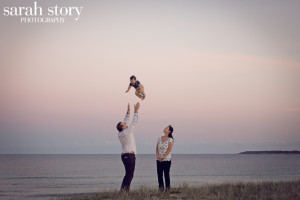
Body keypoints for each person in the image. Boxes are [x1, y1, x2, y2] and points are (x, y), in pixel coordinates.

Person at [116, 102, 140, 192]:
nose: (126, 124)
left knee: (128, 174)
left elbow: (126, 120)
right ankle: (124, 192)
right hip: (129, 156)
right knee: (129, 175)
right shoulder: (126, 132)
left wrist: (128, 111)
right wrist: (136, 111)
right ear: (122, 127)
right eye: (124, 124)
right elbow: (134, 122)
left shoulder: (121, 132)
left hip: (126, 156)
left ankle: (123, 192)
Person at [156, 125, 174, 191]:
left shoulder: (170, 139)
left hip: (167, 160)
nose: (164, 128)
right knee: (159, 175)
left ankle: (168, 190)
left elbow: (169, 150)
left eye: (166, 128)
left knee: (166, 175)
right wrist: (158, 156)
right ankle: (161, 190)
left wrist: (162, 157)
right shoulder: (159, 138)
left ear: (169, 131)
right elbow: (156, 148)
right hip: (159, 160)